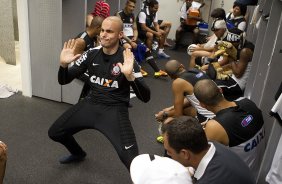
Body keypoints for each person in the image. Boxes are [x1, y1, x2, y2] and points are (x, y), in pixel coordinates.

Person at [48, 16, 151, 170]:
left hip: (115, 109)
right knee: (55, 132)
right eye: (102, 30)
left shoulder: (127, 58)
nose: (103, 34)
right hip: (91, 103)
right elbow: (64, 80)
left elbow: (146, 97)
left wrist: (130, 77)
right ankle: (78, 153)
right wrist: (63, 65)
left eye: (109, 31)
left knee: (133, 163)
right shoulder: (91, 53)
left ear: (120, 35)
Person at [194, 79, 265, 178]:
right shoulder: (248, 102)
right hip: (260, 170)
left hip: (239, 178)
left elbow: (203, 160)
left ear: (202, 105)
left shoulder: (215, 126)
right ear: (220, 90)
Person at [162, 116, 256, 184]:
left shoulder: (209, 180)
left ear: (185, 154)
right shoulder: (212, 145)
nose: (168, 155)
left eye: (169, 151)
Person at [116, 0, 167, 77]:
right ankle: (137, 69)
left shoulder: (132, 15)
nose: (132, 8)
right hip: (123, 38)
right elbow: (120, 32)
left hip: (132, 37)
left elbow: (135, 29)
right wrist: (130, 41)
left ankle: (157, 71)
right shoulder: (119, 15)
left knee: (146, 49)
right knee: (128, 47)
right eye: (130, 6)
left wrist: (135, 37)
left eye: (133, 7)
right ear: (126, 5)